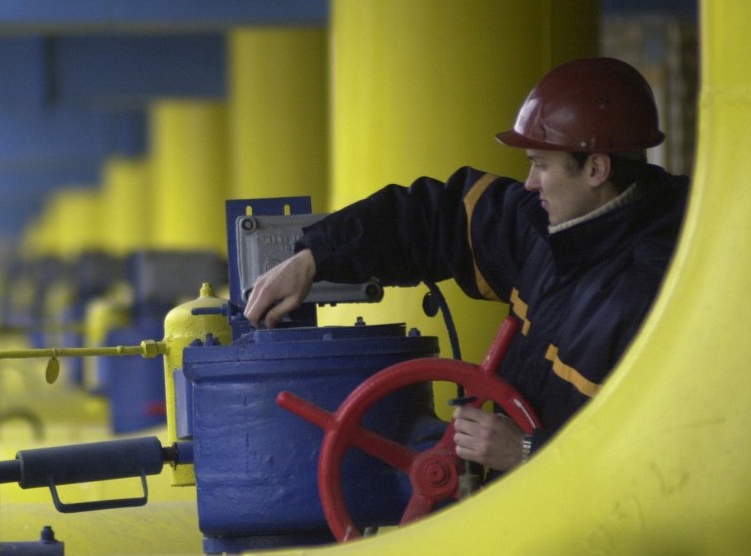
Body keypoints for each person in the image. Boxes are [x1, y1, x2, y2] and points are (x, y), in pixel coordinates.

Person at [244, 57, 689, 476]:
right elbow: (438, 217)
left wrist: (528, 452)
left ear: (595, 168)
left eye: (541, 166)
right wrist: (317, 256)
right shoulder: (552, 232)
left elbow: (671, 454)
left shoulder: (662, 290)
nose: (530, 184)